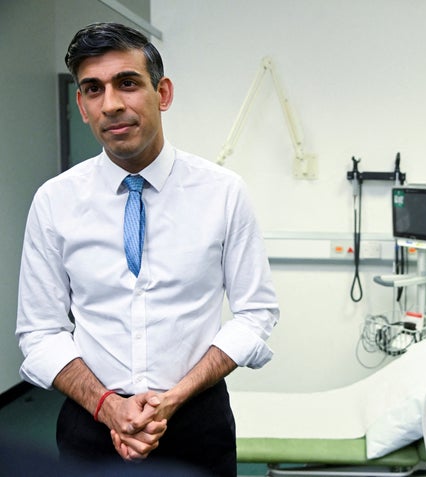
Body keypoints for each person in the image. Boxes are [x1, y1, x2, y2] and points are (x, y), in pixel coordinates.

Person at [15, 22, 279, 476]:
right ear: (81, 104)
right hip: (90, 425)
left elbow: (256, 314)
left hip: (197, 423)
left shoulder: (223, 193)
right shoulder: (54, 201)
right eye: (93, 89)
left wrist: (174, 397)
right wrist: (107, 407)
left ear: (163, 93)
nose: (112, 104)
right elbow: (39, 332)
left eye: (128, 83)